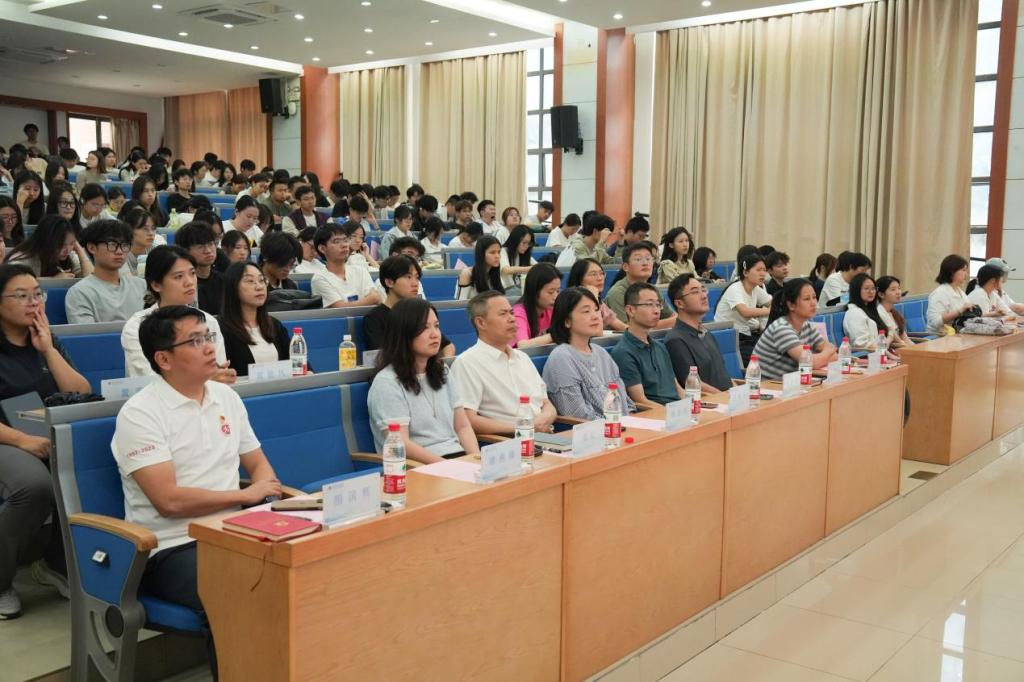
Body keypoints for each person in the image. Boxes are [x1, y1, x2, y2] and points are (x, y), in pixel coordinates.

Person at [111, 305, 281, 667]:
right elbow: (169, 501)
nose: (209, 347)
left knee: (301, 570)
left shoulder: (226, 397)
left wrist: (264, 487)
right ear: (164, 359)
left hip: (234, 530)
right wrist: (245, 495)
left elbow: (258, 464)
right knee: (237, 591)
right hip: (172, 546)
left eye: (208, 337)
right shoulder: (140, 413)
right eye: (194, 341)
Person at [0, 264, 89, 618]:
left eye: (38, 294)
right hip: (8, 439)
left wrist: (48, 349)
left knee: (97, 465)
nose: (33, 302)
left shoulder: (45, 340)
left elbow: (81, 393)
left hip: (47, 434)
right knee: (33, 486)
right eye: (22, 296)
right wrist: (21, 440)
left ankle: (56, 562)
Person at [367, 298, 478, 463]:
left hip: (457, 458)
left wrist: (477, 460)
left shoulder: (443, 371)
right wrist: (449, 466)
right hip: (421, 465)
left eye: (436, 326)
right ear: (404, 333)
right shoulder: (387, 382)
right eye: (425, 328)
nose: (435, 334)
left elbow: (463, 426)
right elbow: (402, 443)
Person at [451, 291, 558, 435]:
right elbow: (468, 419)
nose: (512, 319)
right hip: (509, 441)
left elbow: (546, 403)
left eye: (512, 313)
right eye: (503, 314)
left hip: (544, 435)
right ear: (481, 322)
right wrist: (525, 428)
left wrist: (544, 419)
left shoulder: (523, 358)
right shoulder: (467, 363)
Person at [121, 246, 232, 380]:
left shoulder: (208, 321)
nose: (189, 282)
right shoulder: (137, 326)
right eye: (179, 276)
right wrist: (203, 379)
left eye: (192, 273)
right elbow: (147, 378)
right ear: (156, 285)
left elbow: (219, 371)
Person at [542, 287, 636, 420]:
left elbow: (625, 402)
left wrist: (632, 421)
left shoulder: (601, 352)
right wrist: (616, 425)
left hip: (624, 425)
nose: (595, 316)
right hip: (596, 430)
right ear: (567, 321)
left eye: (596, 310)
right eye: (586, 311)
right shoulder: (561, 358)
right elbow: (577, 415)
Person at [611, 282, 687, 406]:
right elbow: (640, 401)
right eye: (649, 304)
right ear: (630, 310)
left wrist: (692, 407)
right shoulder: (623, 352)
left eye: (658, 305)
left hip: (677, 410)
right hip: (656, 413)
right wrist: (672, 412)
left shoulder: (660, 347)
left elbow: (678, 389)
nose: (656, 311)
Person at [364, 256, 453, 355]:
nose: (415, 284)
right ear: (389, 282)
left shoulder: (420, 312)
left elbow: (448, 346)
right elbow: (382, 356)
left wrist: (442, 362)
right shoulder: (374, 319)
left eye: (417, 277)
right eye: (408, 277)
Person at [753, 278, 838, 381]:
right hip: (768, 387)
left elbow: (834, 355)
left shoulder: (806, 325)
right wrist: (827, 352)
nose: (813, 303)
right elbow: (811, 363)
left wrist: (824, 354)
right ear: (791, 305)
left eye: (814, 297)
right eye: (807, 299)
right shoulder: (781, 329)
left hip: (792, 384)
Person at [217, 263, 293, 375]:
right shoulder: (220, 329)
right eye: (250, 281)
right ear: (233, 287)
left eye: (261, 280)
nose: (259, 287)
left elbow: (297, 362)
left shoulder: (274, 324)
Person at [65, 220, 146, 324]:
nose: (120, 251)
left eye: (125, 245)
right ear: (92, 248)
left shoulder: (141, 285)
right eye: (112, 245)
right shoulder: (80, 293)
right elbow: (87, 333)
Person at [664, 274, 732, 393]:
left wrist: (738, 392)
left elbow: (724, 376)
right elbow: (693, 384)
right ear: (679, 303)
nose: (704, 296)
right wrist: (727, 397)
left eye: (703, 290)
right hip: (710, 401)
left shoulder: (706, 334)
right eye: (695, 292)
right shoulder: (675, 340)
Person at [713, 252, 772, 364]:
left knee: (774, 352)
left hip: (746, 336)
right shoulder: (735, 288)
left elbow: (774, 303)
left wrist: (772, 309)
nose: (763, 274)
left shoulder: (755, 289)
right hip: (729, 338)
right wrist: (769, 311)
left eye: (764, 270)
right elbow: (745, 312)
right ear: (745, 272)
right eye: (758, 270)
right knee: (765, 360)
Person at [310, 224, 380, 308]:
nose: (344, 245)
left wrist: (373, 298)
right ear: (322, 249)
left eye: (346, 240)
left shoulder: (360, 271)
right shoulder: (320, 279)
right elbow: (340, 308)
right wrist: (370, 300)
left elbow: (377, 298)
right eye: (336, 241)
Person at [606, 242, 674, 328]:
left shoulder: (653, 289)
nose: (645, 263)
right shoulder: (617, 292)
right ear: (626, 267)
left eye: (648, 259)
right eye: (638, 259)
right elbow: (629, 328)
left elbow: (672, 316)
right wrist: (672, 322)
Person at [5, 215, 92, 279]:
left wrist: (80, 250)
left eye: (72, 243)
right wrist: (52, 280)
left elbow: (92, 279)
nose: (67, 250)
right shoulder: (24, 259)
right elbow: (12, 282)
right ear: (46, 241)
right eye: (61, 244)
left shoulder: (70, 254)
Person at [175, 221, 225, 315]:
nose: (208, 251)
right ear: (185, 251)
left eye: (211, 244)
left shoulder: (224, 280)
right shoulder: (183, 284)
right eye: (200, 246)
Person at [567, 257, 626, 332]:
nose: (600, 278)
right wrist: (593, 297)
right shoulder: (572, 302)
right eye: (593, 274)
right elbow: (595, 331)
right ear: (580, 279)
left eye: (602, 273)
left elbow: (621, 326)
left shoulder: (600, 303)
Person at [513, 263, 560, 349]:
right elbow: (523, 346)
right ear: (534, 291)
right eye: (550, 292)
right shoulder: (518, 313)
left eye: (558, 291)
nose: (555, 297)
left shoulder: (552, 308)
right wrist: (557, 335)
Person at [927, 254, 973, 334]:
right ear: (952, 272)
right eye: (963, 270)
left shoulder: (960, 292)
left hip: (957, 334)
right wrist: (960, 311)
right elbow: (935, 322)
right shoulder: (939, 293)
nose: (966, 274)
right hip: (938, 337)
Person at [843, 273, 889, 352]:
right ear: (856, 290)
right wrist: (888, 354)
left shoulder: (870, 310)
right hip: (866, 356)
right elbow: (862, 344)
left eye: (873, 288)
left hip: (879, 353)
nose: (871, 292)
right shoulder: (854, 313)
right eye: (866, 288)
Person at [457, 235, 504, 301]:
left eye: (499, 252)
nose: (497, 256)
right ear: (481, 254)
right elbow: (460, 303)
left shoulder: (496, 274)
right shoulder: (467, 274)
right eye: (492, 252)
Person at [875, 276, 914, 349]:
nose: (898, 292)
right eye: (893, 289)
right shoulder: (880, 313)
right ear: (881, 294)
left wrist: (917, 348)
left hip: (902, 349)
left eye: (899, 288)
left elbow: (905, 339)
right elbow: (899, 342)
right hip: (891, 351)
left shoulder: (894, 312)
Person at [122, 207, 157, 277]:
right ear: (130, 230)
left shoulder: (156, 251)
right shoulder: (120, 254)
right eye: (145, 229)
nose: (151, 233)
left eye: (153, 228)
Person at [499, 226, 536, 293]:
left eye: (529, 243)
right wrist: (531, 268)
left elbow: (538, 266)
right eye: (524, 243)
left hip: (517, 290)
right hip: (505, 291)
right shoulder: (503, 251)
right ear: (515, 240)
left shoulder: (523, 253)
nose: (526, 246)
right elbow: (506, 270)